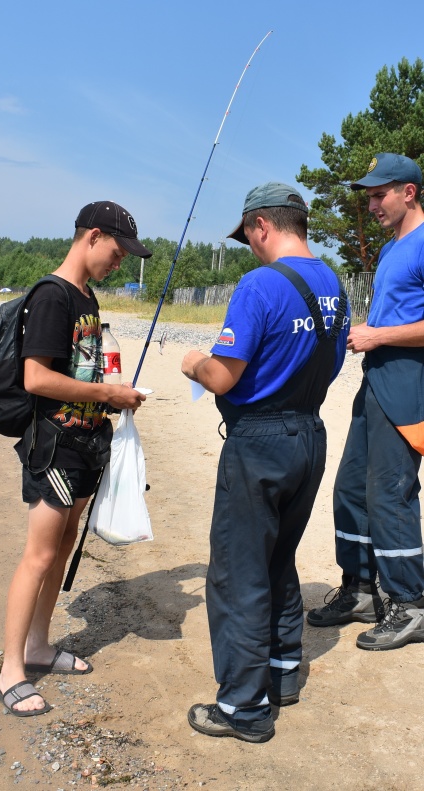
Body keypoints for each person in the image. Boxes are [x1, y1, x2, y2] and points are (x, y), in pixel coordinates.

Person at [181, 182, 349, 743]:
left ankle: (243, 708)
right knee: (278, 559)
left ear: (262, 227)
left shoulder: (258, 286)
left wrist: (192, 363)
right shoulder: (336, 284)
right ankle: (282, 673)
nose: (250, 247)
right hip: (311, 434)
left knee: (238, 574)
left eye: (248, 237)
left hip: (259, 442)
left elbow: (224, 375)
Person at [0, 201, 150, 716]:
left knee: (61, 547)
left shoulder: (87, 298)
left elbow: (81, 371)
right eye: (118, 251)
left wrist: (109, 391)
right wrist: (107, 395)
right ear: (93, 236)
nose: (120, 262)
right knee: (38, 555)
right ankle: (10, 670)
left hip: (86, 442)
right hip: (54, 448)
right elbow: (36, 378)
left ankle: (38, 646)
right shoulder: (54, 296)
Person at [307, 153, 424, 650]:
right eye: (370, 195)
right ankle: (358, 589)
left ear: (409, 192)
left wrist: (378, 337)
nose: (372, 203)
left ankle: (410, 604)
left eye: (380, 194)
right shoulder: (393, 246)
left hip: (407, 388)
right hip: (375, 383)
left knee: (390, 493)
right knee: (351, 488)